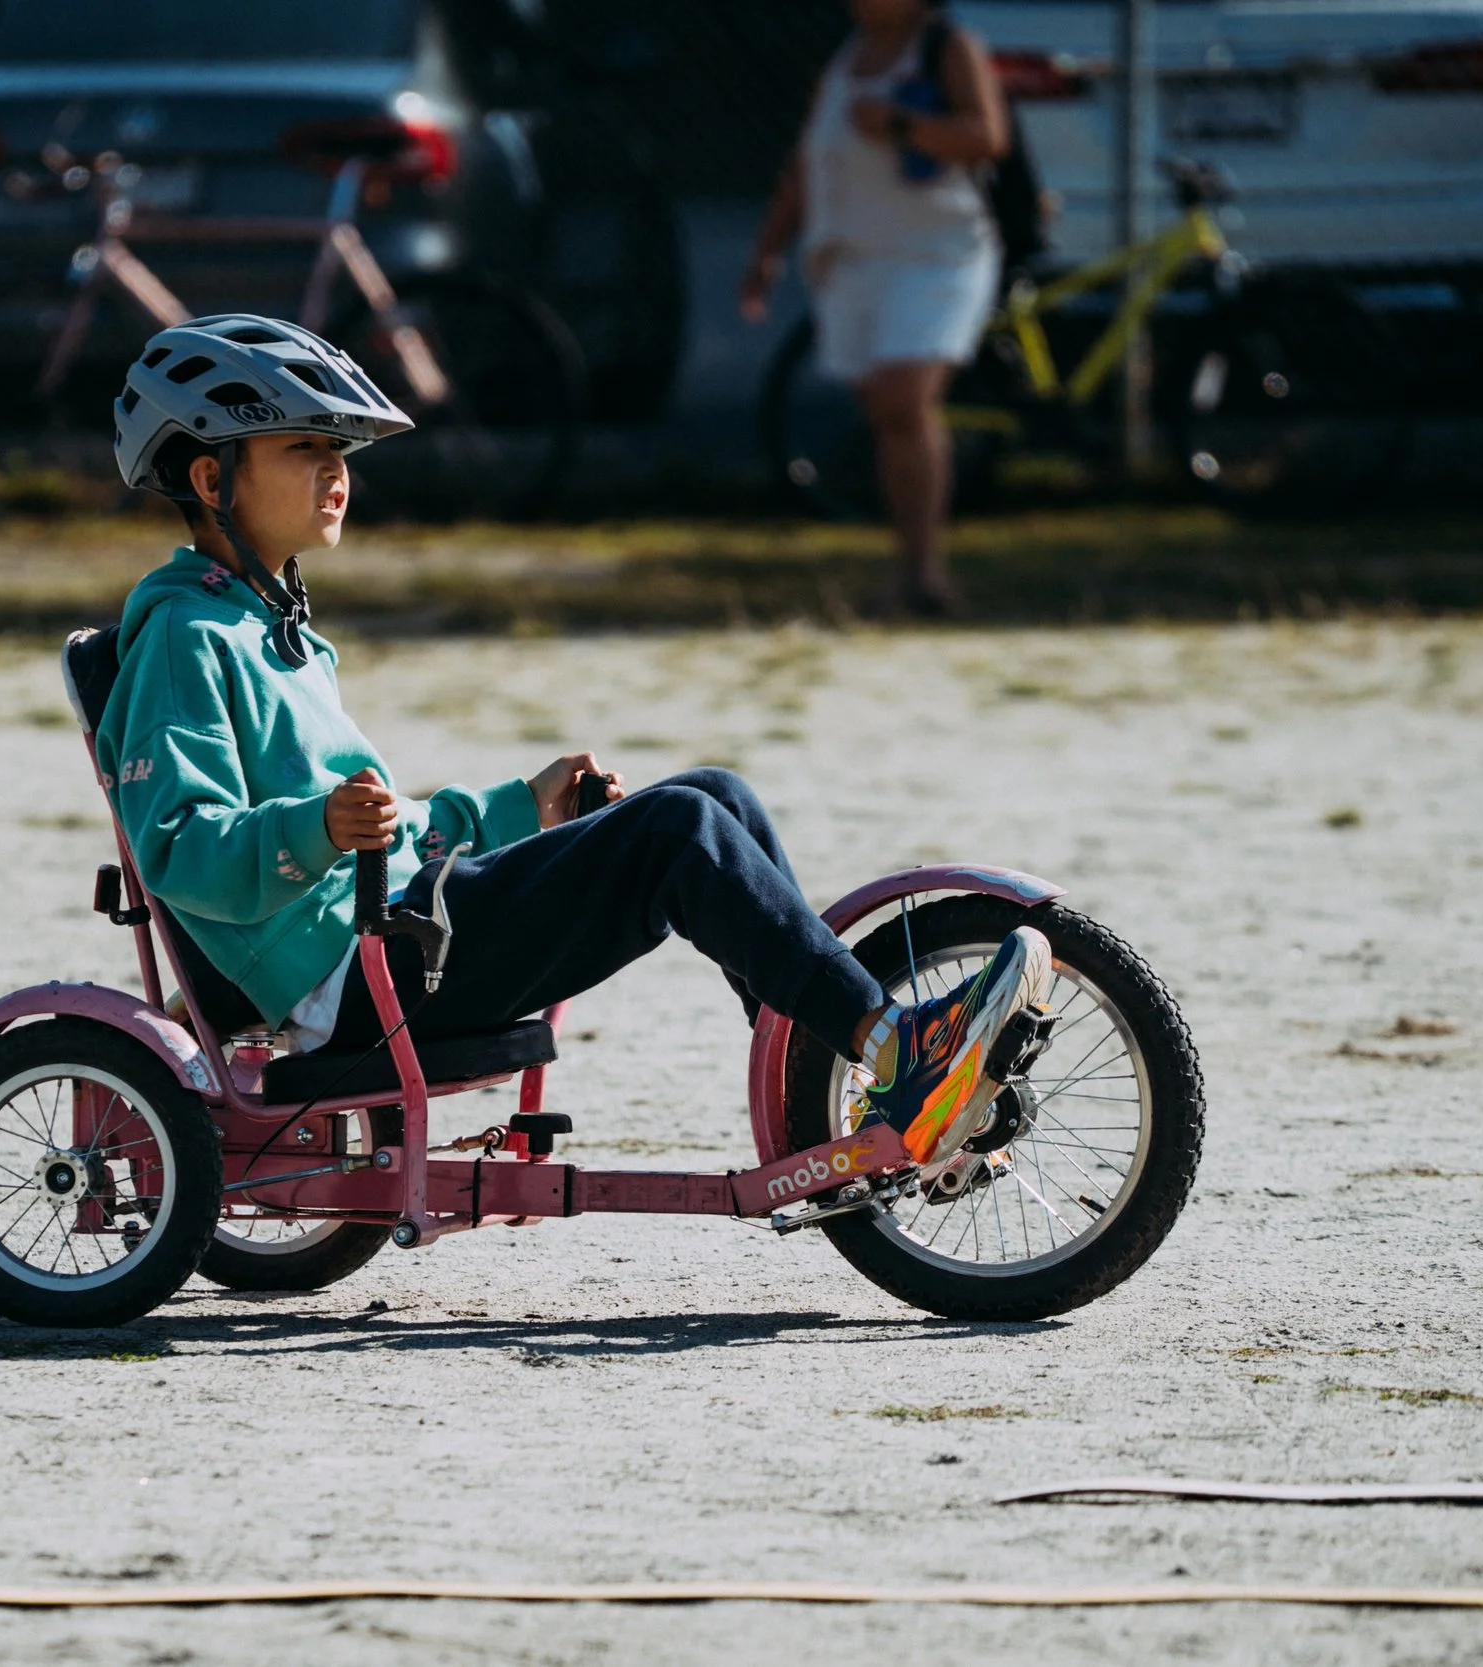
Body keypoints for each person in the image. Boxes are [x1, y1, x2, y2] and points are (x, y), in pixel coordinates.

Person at [90, 313, 1053, 1170]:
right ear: (212, 477)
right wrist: (318, 828)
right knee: (677, 830)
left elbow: (390, 827)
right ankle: (896, 1049)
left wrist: (524, 805)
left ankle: (840, 1064)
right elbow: (178, 847)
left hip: (397, 932)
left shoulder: (270, 625)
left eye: (342, 448)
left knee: (717, 796)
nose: (337, 470)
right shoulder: (187, 637)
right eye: (305, 446)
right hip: (354, 978)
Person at [740, 0, 1008, 616]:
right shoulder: (843, 63)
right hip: (856, 261)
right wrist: (767, 251)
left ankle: (925, 575)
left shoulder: (948, 47)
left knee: (903, 397)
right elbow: (807, 164)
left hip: (938, 254)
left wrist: (899, 124)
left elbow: (986, 136)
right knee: (888, 415)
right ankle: (910, 567)